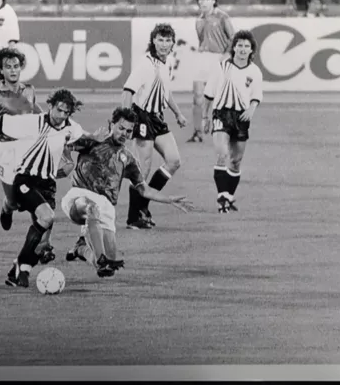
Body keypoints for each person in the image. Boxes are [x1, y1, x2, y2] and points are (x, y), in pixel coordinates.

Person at [0, 89, 94, 288]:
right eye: (59, 110)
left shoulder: (70, 128)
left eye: (66, 113)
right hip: (26, 180)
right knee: (46, 217)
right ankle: (8, 210)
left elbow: (87, 138)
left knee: (42, 244)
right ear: (51, 106)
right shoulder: (31, 121)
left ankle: (18, 270)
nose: (61, 116)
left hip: (48, 185)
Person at [62, 107, 195, 278]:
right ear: (112, 124)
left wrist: (168, 200)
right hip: (79, 197)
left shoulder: (129, 159)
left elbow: (143, 189)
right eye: (121, 128)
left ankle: (82, 250)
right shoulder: (94, 141)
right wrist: (66, 163)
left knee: (107, 268)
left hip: (106, 208)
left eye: (129, 131)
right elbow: (64, 143)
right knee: (91, 208)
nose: (124, 133)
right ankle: (99, 254)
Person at [122, 23, 188, 230]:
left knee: (174, 161)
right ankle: (134, 217)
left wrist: (177, 113)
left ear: (172, 44)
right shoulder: (145, 64)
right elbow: (127, 91)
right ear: (153, 41)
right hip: (141, 117)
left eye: (168, 40)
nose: (163, 44)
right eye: (160, 39)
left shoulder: (166, 63)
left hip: (158, 118)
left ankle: (144, 205)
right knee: (143, 168)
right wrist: (125, 121)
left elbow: (165, 92)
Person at [202, 30, 263, 213]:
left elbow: (256, 95)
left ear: (251, 49)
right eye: (240, 45)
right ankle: (222, 197)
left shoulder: (254, 71)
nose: (243, 49)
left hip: (241, 117)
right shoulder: (222, 68)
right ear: (234, 47)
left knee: (236, 160)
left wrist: (251, 109)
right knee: (222, 154)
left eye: (246, 46)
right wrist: (205, 117)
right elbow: (208, 94)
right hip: (221, 114)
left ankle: (227, 196)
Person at [187, 0, 236, 143]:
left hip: (218, 58)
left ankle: (227, 130)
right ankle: (197, 132)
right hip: (203, 57)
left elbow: (233, 37)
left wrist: (226, 55)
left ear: (214, 1)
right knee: (197, 96)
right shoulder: (199, 20)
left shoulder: (222, 17)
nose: (203, 2)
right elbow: (202, 40)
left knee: (221, 97)